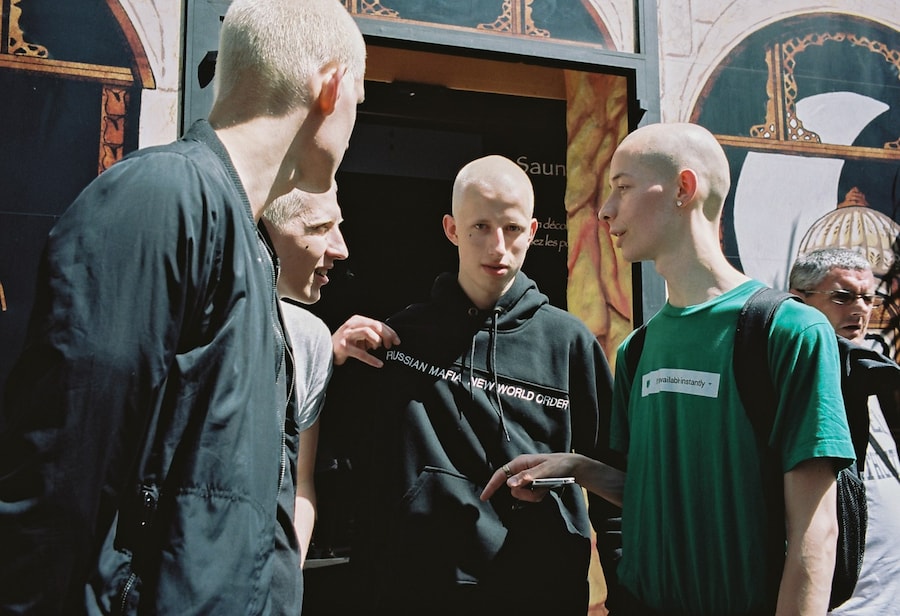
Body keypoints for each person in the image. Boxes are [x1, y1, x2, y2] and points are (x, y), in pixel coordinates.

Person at [0, 1, 366, 613]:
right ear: (330, 85)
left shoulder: (246, 243)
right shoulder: (162, 198)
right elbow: (57, 480)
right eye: (360, 91)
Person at [483, 123, 856, 616]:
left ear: (684, 188)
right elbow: (655, 494)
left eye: (623, 187)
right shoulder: (637, 349)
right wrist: (577, 468)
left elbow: (816, 528)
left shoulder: (788, 330)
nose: (606, 210)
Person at [328, 154, 617, 615]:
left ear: (534, 231)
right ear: (451, 229)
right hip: (422, 591)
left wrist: (624, 598)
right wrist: (332, 362)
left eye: (512, 229)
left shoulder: (570, 343)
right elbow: (345, 457)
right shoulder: (402, 336)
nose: (497, 247)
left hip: (542, 590)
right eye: (480, 226)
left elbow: (612, 484)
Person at [261, 187, 400, 572]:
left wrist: (283, 582)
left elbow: (299, 484)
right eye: (321, 227)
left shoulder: (309, 338)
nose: (341, 248)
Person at [789, 247, 900, 615]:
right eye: (843, 296)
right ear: (797, 302)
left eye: (868, 297)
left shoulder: (878, 376)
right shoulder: (790, 384)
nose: (861, 308)